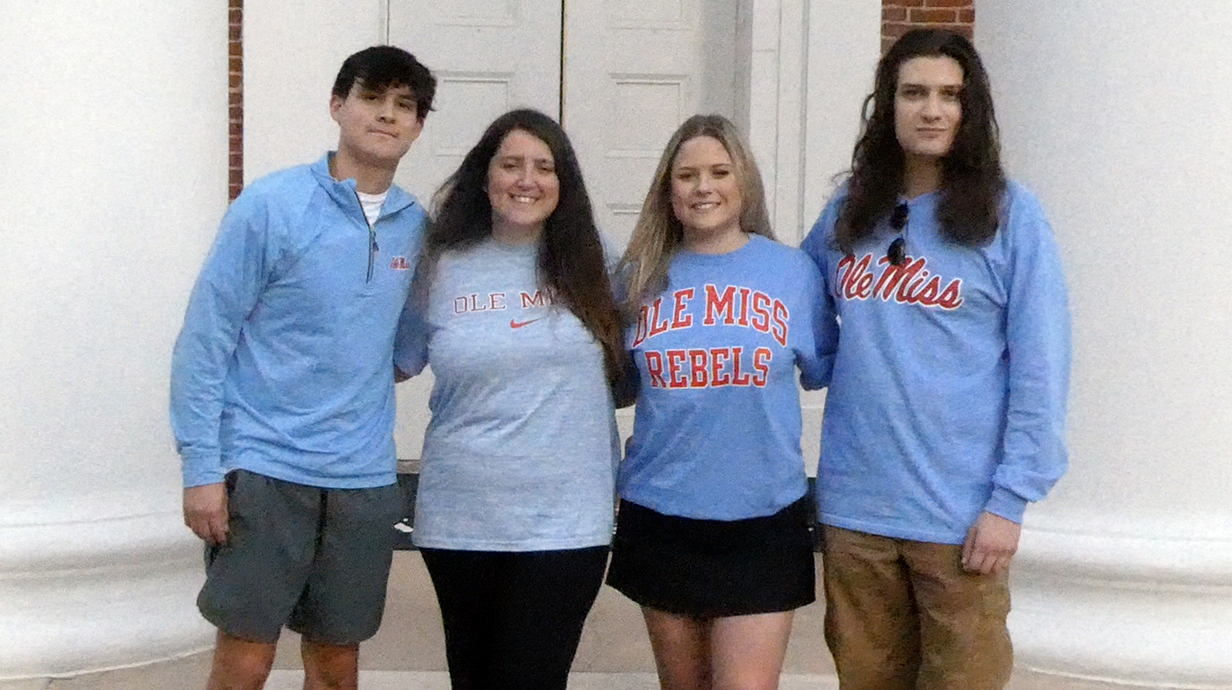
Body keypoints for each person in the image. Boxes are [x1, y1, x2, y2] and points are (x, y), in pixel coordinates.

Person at [800, 29, 1071, 690]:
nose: (932, 109)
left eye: (950, 95)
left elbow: (1042, 367)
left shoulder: (1013, 217)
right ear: (886, 107)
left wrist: (1010, 500)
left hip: (961, 519)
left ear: (970, 109)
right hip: (856, 511)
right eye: (914, 92)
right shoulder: (849, 211)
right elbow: (797, 306)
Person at [170, 46, 436, 690]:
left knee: (337, 659)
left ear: (419, 127)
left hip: (364, 478)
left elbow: (407, 347)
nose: (387, 115)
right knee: (246, 656)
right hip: (265, 468)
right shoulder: (271, 207)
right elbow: (205, 341)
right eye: (373, 98)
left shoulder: (416, 227)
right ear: (337, 105)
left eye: (405, 106)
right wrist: (203, 469)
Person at [393, 108, 625, 690]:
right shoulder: (440, 265)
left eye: (544, 167)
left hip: (565, 525)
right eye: (511, 164)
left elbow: (645, 360)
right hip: (460, 520)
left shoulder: (599, 261)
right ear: (484, 175)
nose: (527, 180)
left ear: (563, 183)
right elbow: (390, 362)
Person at [606, 114, 830, 690]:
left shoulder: (793, 273)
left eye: (718, 171)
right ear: (668, 189)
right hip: (661, 512)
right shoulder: (637, 278)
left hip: (763, 517)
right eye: (687, 175)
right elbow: (615, 385)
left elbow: (827, 371)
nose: (703, 186)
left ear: (743, 181)